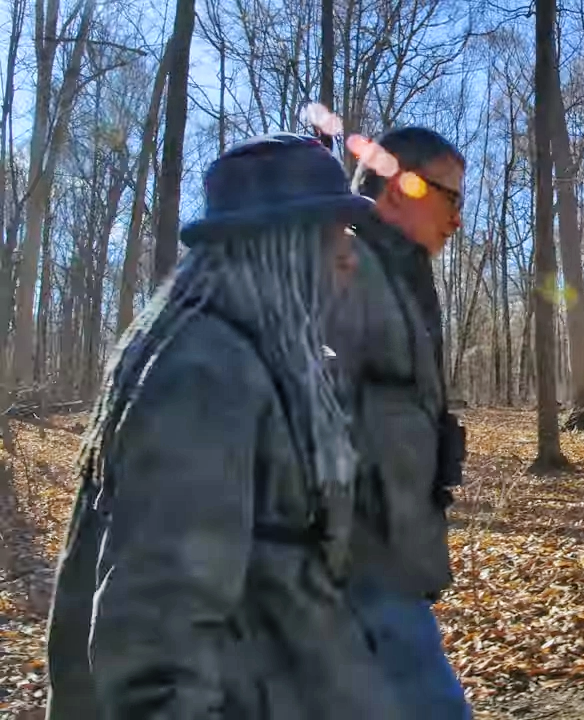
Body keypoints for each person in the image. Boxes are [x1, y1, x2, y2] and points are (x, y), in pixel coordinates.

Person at [43, 133, 408, 719]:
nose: (349, 254)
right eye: (332, 233)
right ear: (275, 245)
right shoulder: (203, 373)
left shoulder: (275, 360)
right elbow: (154, 648)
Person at [328, 126, 470, 718]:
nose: (458, 219)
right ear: (399, 188)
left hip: (391, 565)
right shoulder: (342, 268)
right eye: (450, 197)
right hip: (354, 575)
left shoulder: (401, 277)